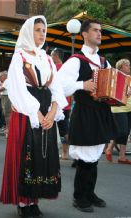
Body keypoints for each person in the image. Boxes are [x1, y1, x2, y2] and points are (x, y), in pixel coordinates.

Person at [0, 15, 67, 218]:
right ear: (29, 31)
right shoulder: (19, 56)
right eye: (38, 29)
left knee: (42, 156)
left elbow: (56, 88)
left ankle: (34, 199)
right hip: (26, 113)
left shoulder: (46, 58)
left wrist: (53, 112)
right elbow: (17, 88)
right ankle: (23, 201)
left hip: (46, 110)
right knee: (26, 155)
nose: (42, 34)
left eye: (44, 30)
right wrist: (36, 112)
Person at [56, 19, 117, 213]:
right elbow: (59, 86)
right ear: (84, 34)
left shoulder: (103, 61)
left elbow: (111, 85)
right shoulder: (76, 60)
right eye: (95, 30)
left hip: (101, 112)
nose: (99, 34)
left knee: (95, 155)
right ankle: (79, 196)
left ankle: (89, 193)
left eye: (100, 31)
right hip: (84, 112)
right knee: (85, 157)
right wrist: (82, 84)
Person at [105, 59, 131, 164]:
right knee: (122, 131)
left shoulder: (129, 78)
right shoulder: (114, 77)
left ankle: (122, 157)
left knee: (126, 132)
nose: (129, 66)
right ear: (121, 67)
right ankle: (109, 148)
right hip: (118, 107)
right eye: (127, 65)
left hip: (129, 108)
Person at [51, 48, 72, 159]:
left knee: (63, 129)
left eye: (51, 55)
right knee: (64, 128)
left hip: (58, 104)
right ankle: (66, 150)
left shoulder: (55, 69)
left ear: (55, 56)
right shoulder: (66, 68)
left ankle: (66, 152)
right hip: (66, 103)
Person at [0, 71, 11, 138]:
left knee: (7, 114)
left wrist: (0, 86)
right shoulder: (5, 81)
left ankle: (8, 129)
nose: (0, 77)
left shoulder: (7, 80)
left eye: (1, 76)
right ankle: (7, 128)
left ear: (5, 76)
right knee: (6, 114)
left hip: (6, 97)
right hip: (4, 97)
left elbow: (1, 89)